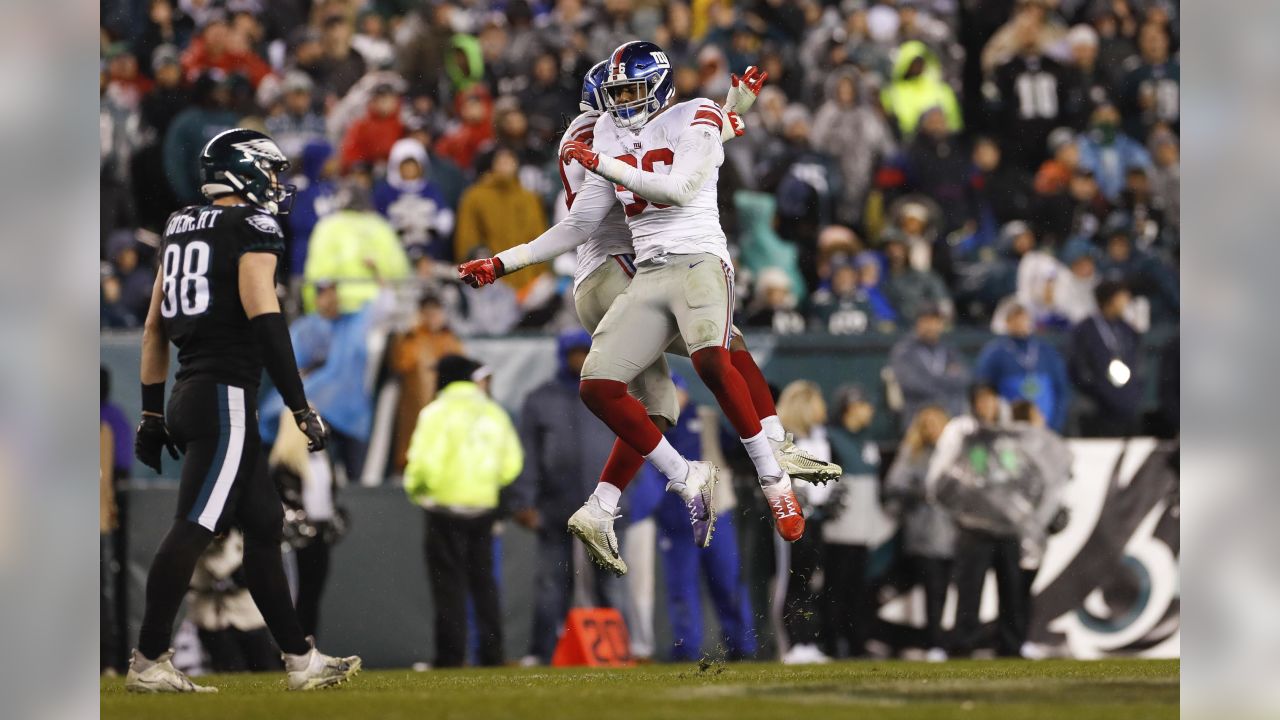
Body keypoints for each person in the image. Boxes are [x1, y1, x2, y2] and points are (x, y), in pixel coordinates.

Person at [459, 52, 839, 576]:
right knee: (619, 386)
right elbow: (585, 219)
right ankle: (699, 472)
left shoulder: (669, 121)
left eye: (629, 94)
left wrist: (728, 110)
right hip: (636, 270)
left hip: (689, 261)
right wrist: (506, 261)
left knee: (711, 360)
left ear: (657, 88)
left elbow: (680, 176)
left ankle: (771, 475)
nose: (619, 106)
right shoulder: (607, 135)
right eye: (612, 97)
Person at [128, 128, 359, 693]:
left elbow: (154, 327)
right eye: (270, 170)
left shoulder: (180, 224)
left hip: (190, 390)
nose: (276, 184)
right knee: (195, 528)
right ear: (243, 171)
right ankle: (149, 658)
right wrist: (300, 405)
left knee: (263, 524)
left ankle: (300, 659)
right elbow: (265, 318)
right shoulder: (251, 226)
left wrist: (152, 414)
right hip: (226, 396)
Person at [506, 330, 622, 665]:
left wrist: (626, 496)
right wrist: (524, 500)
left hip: (604, 504)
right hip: (555, 502)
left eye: (584, 352)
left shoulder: (610, 391)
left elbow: (632, 443)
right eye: (572, 353)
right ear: (562, 355)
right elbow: (526, 453)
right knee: (550, 583)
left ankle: (614, 651)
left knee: (611, 581)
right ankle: (542, 652)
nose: (578, 359)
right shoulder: (541, 398)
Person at [404, 355, 523, 668]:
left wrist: (418, 491)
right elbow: (512, 464)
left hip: (443, 509)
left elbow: (422, 464)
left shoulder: (435, 412)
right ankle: (492, 655)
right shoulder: (494, 412)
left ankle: (450, 657)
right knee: (484, 584)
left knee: (448, 587)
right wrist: (486, 485)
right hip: (482, 507)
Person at [260, 277, 395, 484]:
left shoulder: (354, 323)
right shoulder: (307, 328)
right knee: (319, 475)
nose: (328, 298)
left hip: (352, 414)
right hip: (318, 412)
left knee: (356, 482)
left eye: (331, 292)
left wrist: (379, 277)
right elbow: (292, 365)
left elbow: (385, 306)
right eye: (322, 293)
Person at [925, 383, 1025, 657]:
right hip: (974, 523)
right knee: (970, 588)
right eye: (981, 400)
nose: (986, 406)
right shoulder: (961, 431)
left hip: (1005, 522)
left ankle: (1012, 643)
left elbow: (1018, 474)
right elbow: (940, 475)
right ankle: (963, 642)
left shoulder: (1008, 432)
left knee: (1012, 587)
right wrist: (958, 509)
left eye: (990, 400)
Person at [883, 405, 955, 661]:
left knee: (956, 590)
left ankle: (954, 641)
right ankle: (935, 642)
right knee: (934, 590)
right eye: (927, 425)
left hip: (957, 532)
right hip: (926, 533)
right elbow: (894, 484)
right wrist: (916, 493)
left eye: (937, 423)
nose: (932, 430)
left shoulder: (956, 453)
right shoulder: (913, 453)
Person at [820, 384, 883, 661]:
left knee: (859, 591)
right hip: (839, 529)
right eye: (864, 405)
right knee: (836, 589)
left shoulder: (867, 440)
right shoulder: (830, 439)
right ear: (850, 407)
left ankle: (857, 642)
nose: (869, 410)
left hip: (864, 528)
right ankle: (831, 644)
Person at [269, 414, 345, 641]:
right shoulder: (284, 464)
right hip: (295, 541)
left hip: (319, 536)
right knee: (295, 595)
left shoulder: (322, 459)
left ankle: (309, 648)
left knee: (312, 596)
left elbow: (328, 498)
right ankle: (291, 649)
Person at [773, 381, 832, 664]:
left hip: (817, 520)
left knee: (811, 582)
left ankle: (808, 641)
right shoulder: (784, 438)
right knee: (791, 582)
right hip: (792, 520)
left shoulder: (819, 436)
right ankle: (791, 643)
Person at [388, 292, 465, 473]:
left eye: (436, 312)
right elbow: (400, 363)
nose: (433, 318)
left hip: (445, 408)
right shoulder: (413, 339)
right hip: (417, 409)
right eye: (428, 313)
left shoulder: (450, 339)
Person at [186, 531, 281, 673]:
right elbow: (207, 575)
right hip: (212, 618)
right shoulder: (193, 537)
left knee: (266, 668)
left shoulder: (243, 535)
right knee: (230, 674)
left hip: (247, 614)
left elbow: (247, 575)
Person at [975, 302, 1071, 432]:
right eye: (1014, 318)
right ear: (1007, 322)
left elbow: (1061, 389)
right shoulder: (994, 353)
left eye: (1023, 318)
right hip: (1008, 427)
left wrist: (1055, 425)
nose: (1020, 322)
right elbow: (984, 390)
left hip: (1047, 425)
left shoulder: (1046, 351)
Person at [1068, 280, 1145, 437]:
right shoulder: (1085, 330)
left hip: (1127, 407)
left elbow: (1137, 363)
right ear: (1110, 299)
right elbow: (1079, 369)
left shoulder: (1127, 329)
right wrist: (1101, 393)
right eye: (1122, 297)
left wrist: (1133, 394)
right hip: (1099, 411)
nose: (1126, 301)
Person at [889, 303, 972, 423]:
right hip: (919, 416)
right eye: (926, 321)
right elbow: (912, 385)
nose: (931, 326)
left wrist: (932, 379)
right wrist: (946, 378)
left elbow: (964, 377)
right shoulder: (904, 350)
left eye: (935, 321)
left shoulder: (948, 349)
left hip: (951, 415)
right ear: (918, 323)